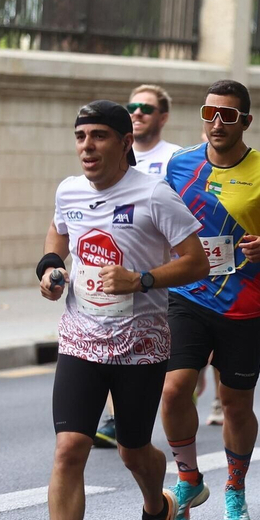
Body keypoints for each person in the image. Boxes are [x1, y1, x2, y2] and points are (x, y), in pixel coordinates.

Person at [32, 100, 208, 520]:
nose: (88, 147)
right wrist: (49, 269)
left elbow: (195, 262)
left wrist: (144, 279)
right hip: (81, 337)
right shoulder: (69, 190)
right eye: (81, 136)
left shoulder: (154, 195)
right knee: (70, 448)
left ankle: (157, 510)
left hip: (141, 342)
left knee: (133, 450)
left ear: (125, 141)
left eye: (100, 137)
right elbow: (59, 234)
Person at [160, 81, 260, 520]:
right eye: (210, 114)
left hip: (242, 304)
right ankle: (187, 478)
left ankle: (235, 488)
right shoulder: (180, 164)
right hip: (187, 295)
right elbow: (160, 218)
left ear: (246, 121)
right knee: (173, 389)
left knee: (235, 405)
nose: (217, 124)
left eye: (228, 115)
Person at [95, 84, 184, 447]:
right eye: (132, 106)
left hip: (172, 271)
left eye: (146, 108)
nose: (138, 112)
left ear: (162, 117)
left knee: (180, 359)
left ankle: (185, 391)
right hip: (125, 270)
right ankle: (117, 420)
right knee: (116, 336)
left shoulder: (177, 158)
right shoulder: (113, 153)